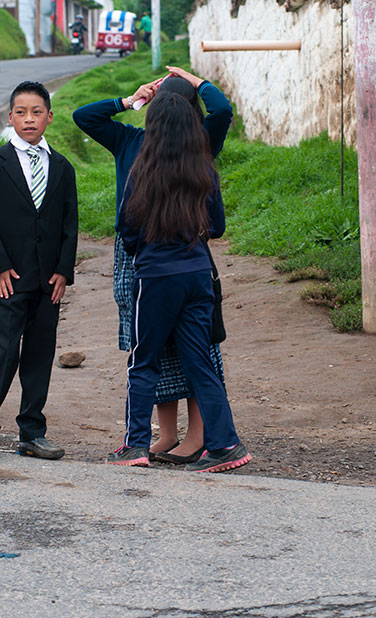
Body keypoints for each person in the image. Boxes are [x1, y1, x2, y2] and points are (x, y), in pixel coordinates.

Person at [72, 66, 233, 463]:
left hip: (148, 262)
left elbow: (128, 221)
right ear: (193, 113)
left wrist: (140, 249)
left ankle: (153, 442)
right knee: (190, 352)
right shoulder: (197, 154)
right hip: (192, 259)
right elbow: (85, 117)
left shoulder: (141, 149)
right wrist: (192, 86)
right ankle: (202, 440)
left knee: (146, 353)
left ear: (152, 111)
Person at [107, 91, 251, 473]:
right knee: (200, 363)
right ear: (192, 126)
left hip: (156, 277)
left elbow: (127, 229)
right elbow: (217, 227)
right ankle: (225, 445)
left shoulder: (141, 171)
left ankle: (135, 445)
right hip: (198, 275)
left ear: (152, 127)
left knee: (143, 361)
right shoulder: (204, 170)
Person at [0, 81, 78, 462]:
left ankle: (32, 432)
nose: (29, 119)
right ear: (9, 117)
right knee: (1, 352)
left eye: (36, 112)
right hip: (7, 279)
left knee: (40, 354)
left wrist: (64, 271)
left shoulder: (62, 167)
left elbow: (68, 224)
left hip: (48, 280)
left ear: (49, 116)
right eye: (20, 112)